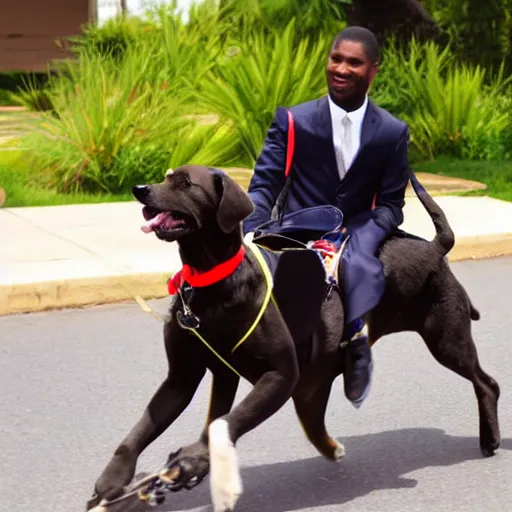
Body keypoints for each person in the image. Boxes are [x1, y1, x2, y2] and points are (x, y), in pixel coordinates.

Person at [242, 26, 411, 408]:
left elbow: (391, 204)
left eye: (354, 62)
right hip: (296, 230)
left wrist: (359, 236)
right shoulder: (293, 121)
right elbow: (265, 184)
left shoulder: (391, 132)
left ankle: (357, 341)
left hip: (357, 231)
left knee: (360, 264)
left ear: (373, 70)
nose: (342, 68)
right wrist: (251, 230)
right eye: (336, 59)